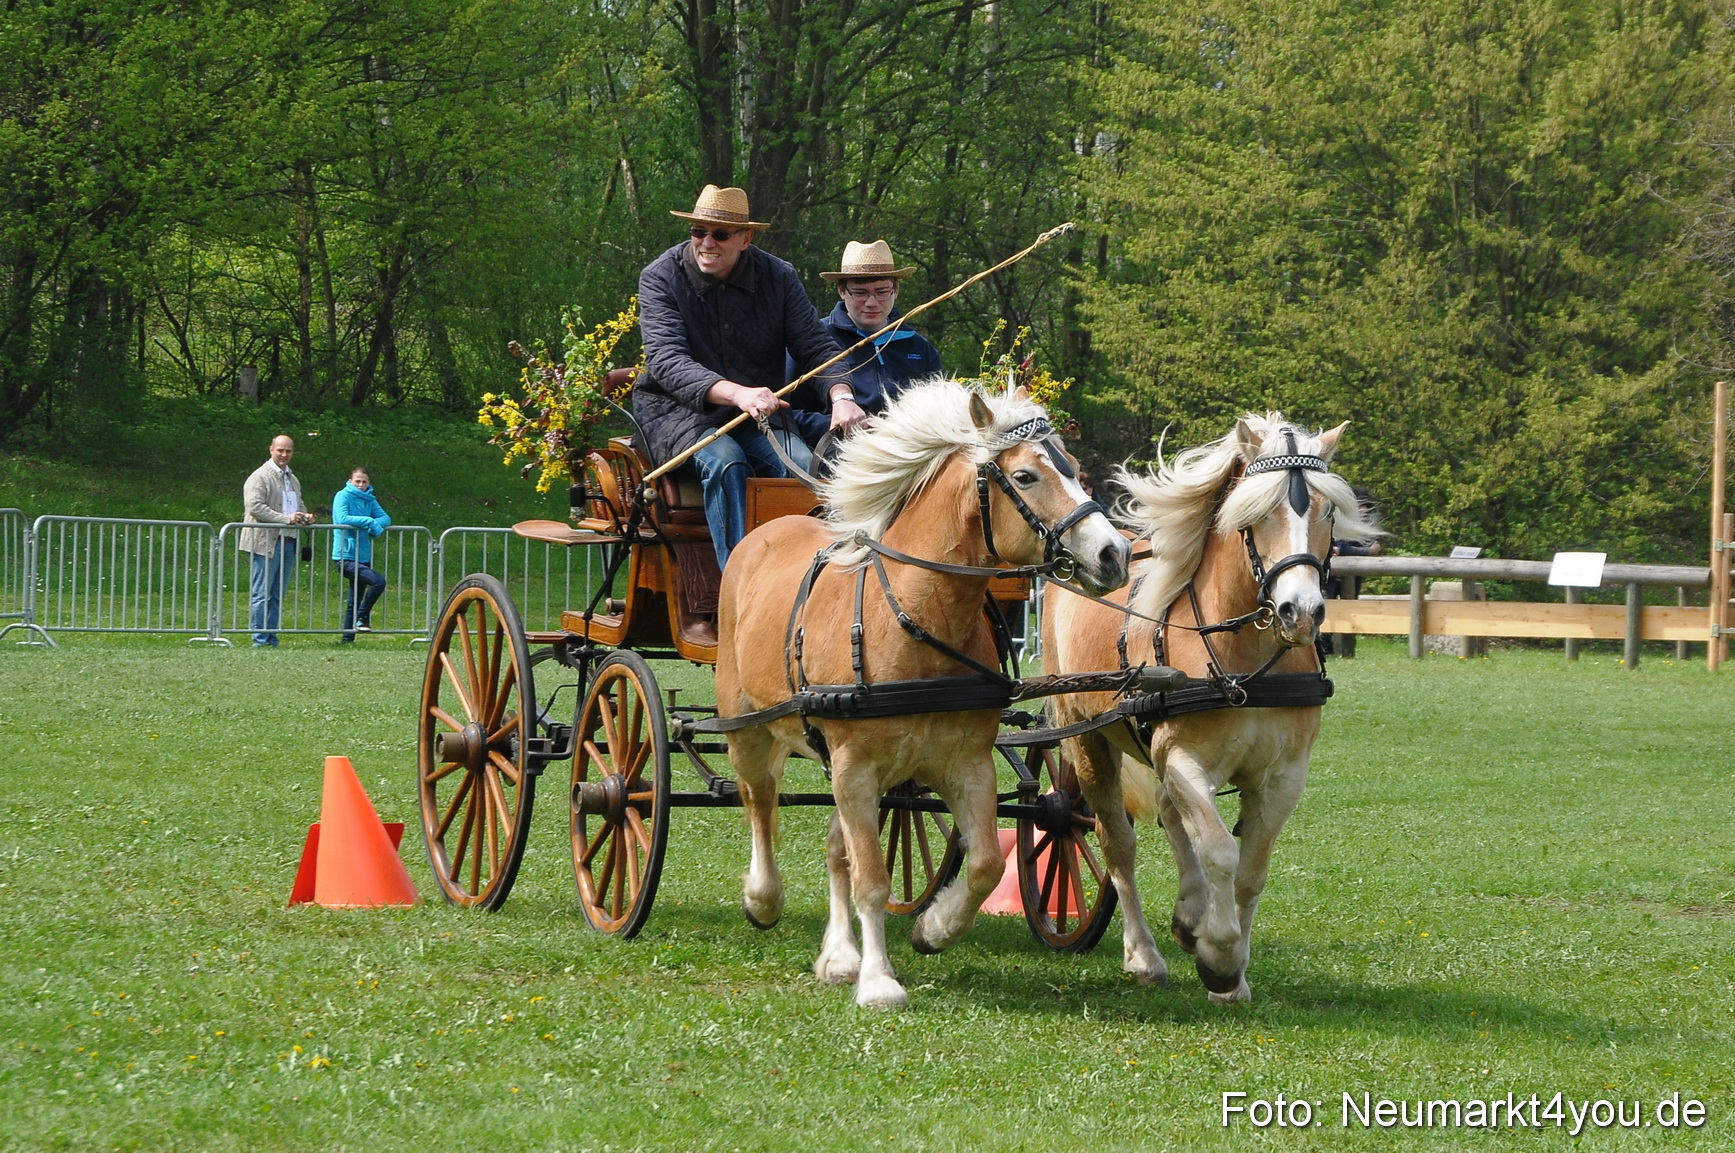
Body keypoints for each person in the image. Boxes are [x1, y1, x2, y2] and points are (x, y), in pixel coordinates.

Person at [633, 184, 842, 572]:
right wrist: (739, 394)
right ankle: (739, 584)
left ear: (746, 238)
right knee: (727, 462)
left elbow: (815, 345)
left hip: (756, 415)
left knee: (800, 464)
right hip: (678, 414)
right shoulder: (660, 277)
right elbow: (665, 360)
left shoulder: (778, 276)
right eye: (698, 231)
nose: (706, 242)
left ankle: (806, 577)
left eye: (720, 234)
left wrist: (842, 396)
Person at [787, 239, 942, 451]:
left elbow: (937, 409)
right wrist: (837, 425)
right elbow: (786, 413)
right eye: (860, 293)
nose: (871, 302)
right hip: (839, 453)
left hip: (909, 454)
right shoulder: (813, 341)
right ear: (842, 290)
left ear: (896, 290)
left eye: (882, 292)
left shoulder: (918, 347)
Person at [240, 434, 314, 647]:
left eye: (288, 451)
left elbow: (297, 504)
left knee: (276, 595)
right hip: (264, 543)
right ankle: (260, 640)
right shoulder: (260, 476)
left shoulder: (292, 478)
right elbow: (255, 506)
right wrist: (285, 519)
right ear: (271, 449)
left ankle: (271, 638)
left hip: (289, 542)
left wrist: (305, 516)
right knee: (261, 594)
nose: (284, 454)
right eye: (280, 450)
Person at [331, 466, 391, 642]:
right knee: (378, 582)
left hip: (364, 555)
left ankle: (347, 639)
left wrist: (374, 524)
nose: (360, 484)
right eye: (357, 481)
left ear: (368, 483)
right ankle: (362, 617)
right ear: (350, 481)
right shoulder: (342, 495)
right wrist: (369, 522)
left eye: (364, 481)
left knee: (355, 598)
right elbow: (343, 518)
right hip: (345, 555)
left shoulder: (369, 499)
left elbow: (386, 518)